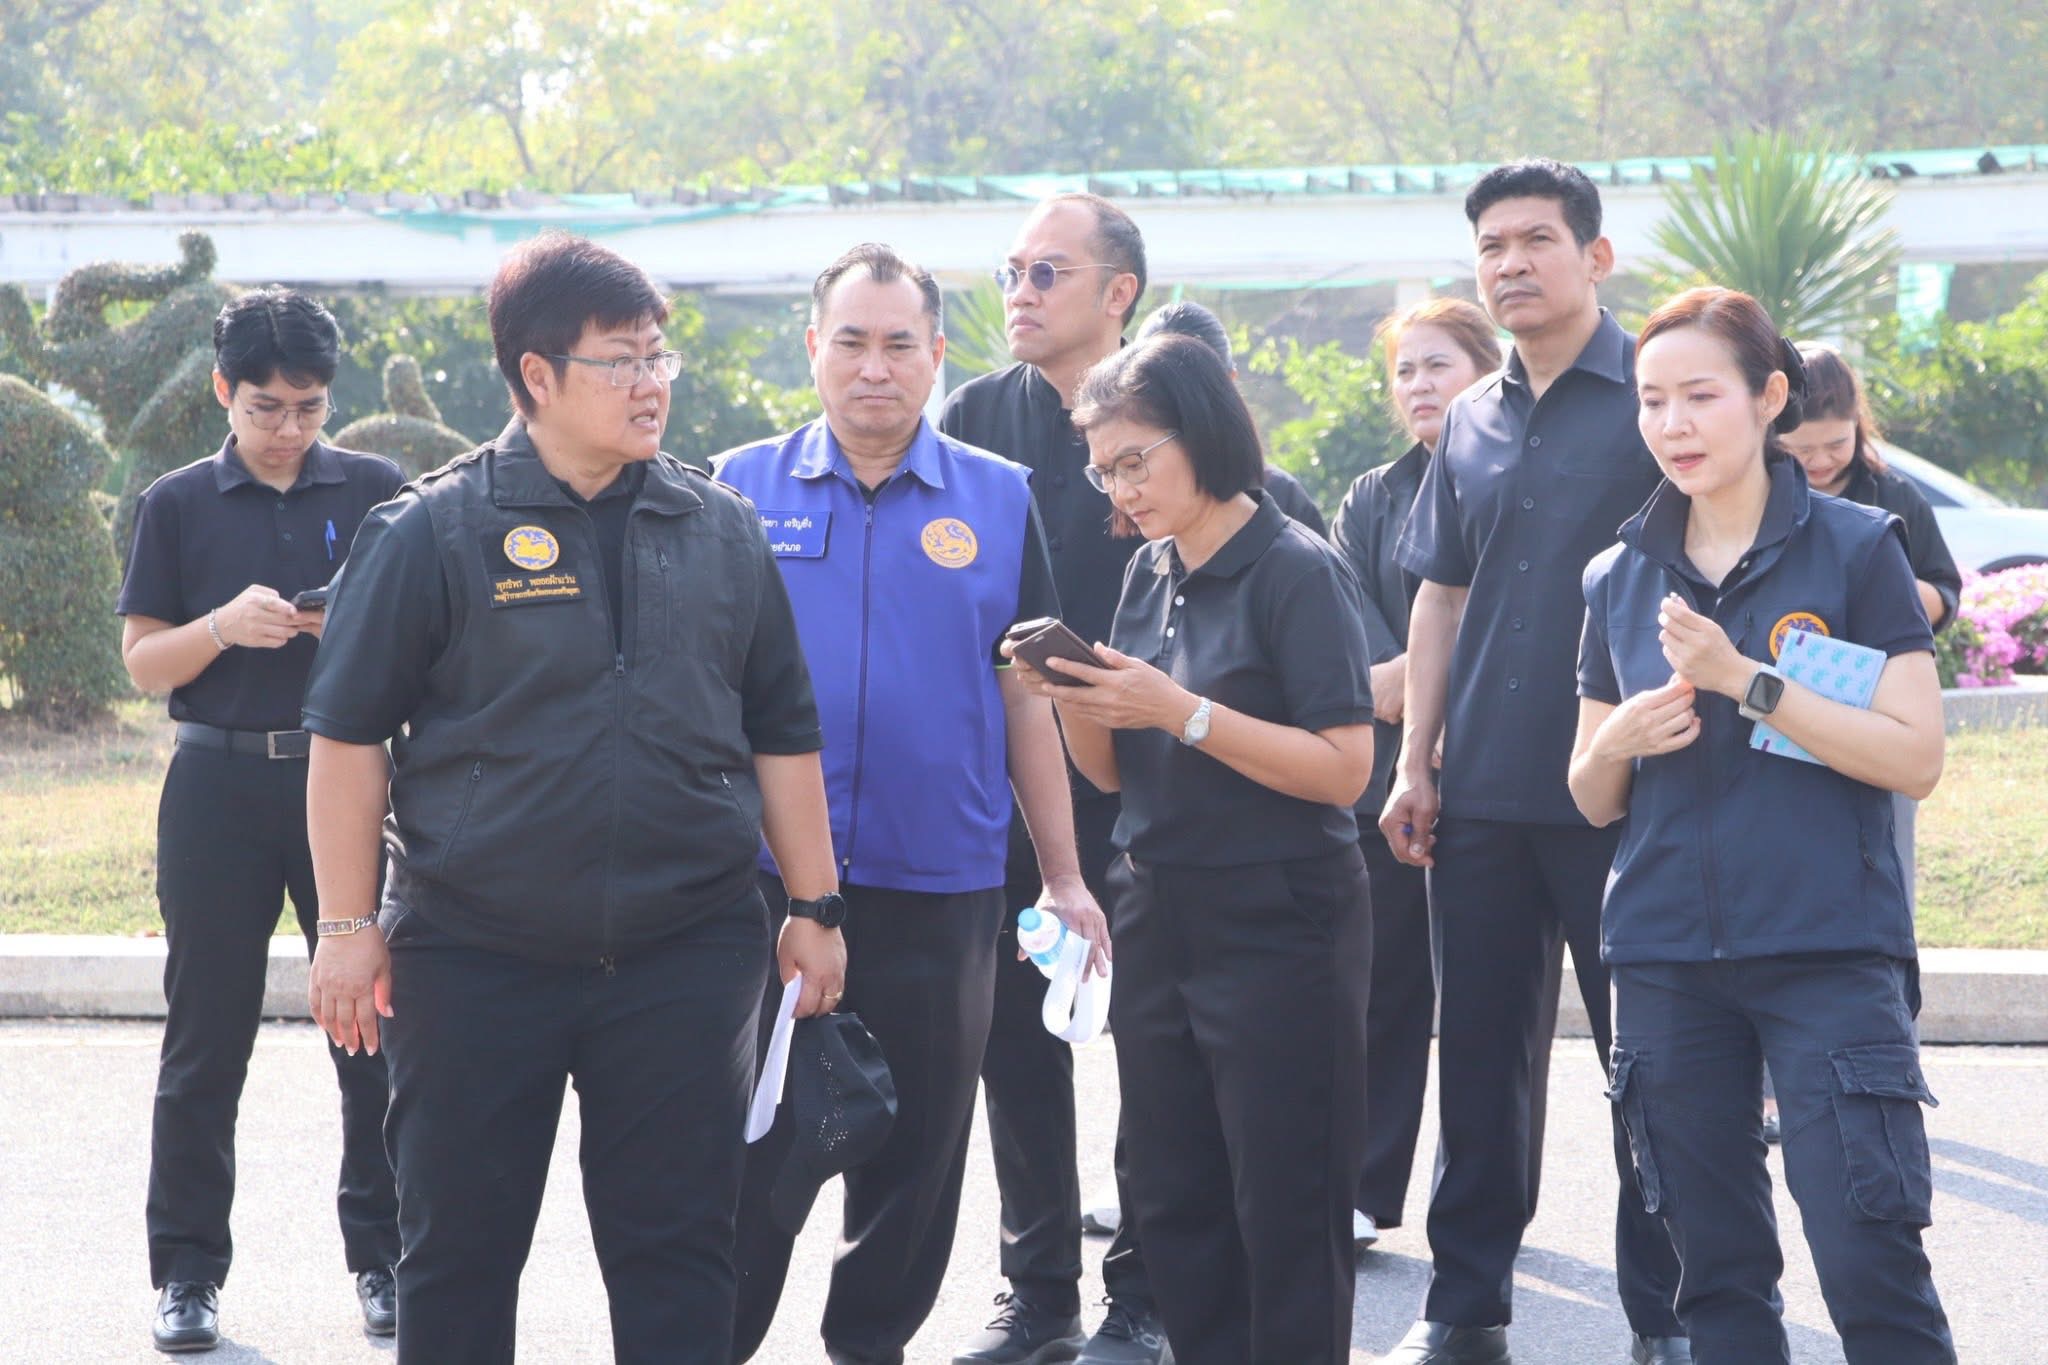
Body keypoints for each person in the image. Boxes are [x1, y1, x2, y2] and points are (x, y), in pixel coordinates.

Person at [298, 231, 845, 1365]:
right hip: (472, 950)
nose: (650, 384)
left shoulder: (720, 530)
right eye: (619, 361)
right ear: (534, 376)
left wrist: (815, 906)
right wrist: (347, 930)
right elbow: (347, 739)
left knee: (684, 1251)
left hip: (682, 950)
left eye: (659, 358)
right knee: (456, 1256)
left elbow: (781, 729)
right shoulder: (431, 529)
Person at [714, 242, 1109, 1364]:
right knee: (747, 1143)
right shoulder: (733, 488)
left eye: (899, 344)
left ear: (938, 355)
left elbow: (1025, 701)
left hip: (943, 884)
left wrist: (1065, 875)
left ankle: (869, 1344)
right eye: (850, 340)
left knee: (919, 1151)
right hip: (764, 887)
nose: (872, 367)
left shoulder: (997, 497)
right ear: (812, 348)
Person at [1571, 286, 1955, 1363]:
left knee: (1869, 1264)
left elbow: (1912, 757)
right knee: (1714, 1286)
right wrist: (1618, 744)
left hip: (1825, 949)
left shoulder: (1853, 548)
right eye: (1651, 401)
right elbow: (1587, 792)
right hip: (1659, 961)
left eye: (1699, 395)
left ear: (1768, 396)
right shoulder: (1615, 576)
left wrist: (1747, 682)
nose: (1672, 425)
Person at [1008, 331, 1377, 1364]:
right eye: (1102, 468)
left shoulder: (1295, 569)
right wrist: (1072, 699)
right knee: (1173, 1199)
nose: (1118, 489)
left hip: (1281, 915)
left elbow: (1344, 768)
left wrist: (1181, 711)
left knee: (1289, 1205)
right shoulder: (1148, 571)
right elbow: (1114, 774)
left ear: (1201, 436)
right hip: (1159, 908)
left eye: (1135, 460)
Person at [1379, 159, 1688, 1365]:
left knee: (1652, 1063)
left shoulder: (1655, 402)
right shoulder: (1468, 417)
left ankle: (1667, 1317)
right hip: (1485, 796)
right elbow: (1437, 599)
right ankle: (1465, 1307)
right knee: (1480, 1065)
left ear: (1593, 258)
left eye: (1534, 242)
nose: (1509, 264)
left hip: (1630, 787)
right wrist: (1415, 762)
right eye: (1489, 247)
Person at [115, 288, 401, 1353]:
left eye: (310, 408)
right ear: (222, 392)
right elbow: (144, 663)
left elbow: (429, 643)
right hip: (217, 789)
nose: (289, 430)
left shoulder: (377, 491)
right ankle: (186, 1273)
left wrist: (351, 630)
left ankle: (383, 1257)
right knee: (205, 1041)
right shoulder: (179, 502)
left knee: (370, 1028)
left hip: (349, 781)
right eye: (267, 408)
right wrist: (222, 628)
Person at [942, 192, 1169, 1365]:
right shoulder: (971, 420)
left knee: (1153, 1043)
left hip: (1150, 782)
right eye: (1010, 273)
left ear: (1116, 292)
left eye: (1046, 272)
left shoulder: (1173, 403)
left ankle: (1147, 1293)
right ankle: (1038, 1295)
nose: (1018, 294)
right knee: (1016, 1046)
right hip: (1009, 788)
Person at [1329, 297, 1501, 1251]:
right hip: (1391, 780)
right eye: (1406, 370)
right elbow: (1362, 668)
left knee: (1491, 1013)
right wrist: (1410, 679)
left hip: (1512, 772)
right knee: (1384, 987)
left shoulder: (1522, 475)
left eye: (1439, 364)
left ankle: (1492, 1205)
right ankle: (1366, 1185)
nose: (1420, 385)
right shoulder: (1373, 496)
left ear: (1488, 369)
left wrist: (1416, 674)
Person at [1135, 299, 1327, 534]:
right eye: (1157, 392)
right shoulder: (1128, 499)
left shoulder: (1279, 495)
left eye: (1193, 391)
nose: (1178, 409)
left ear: (1230, 383)